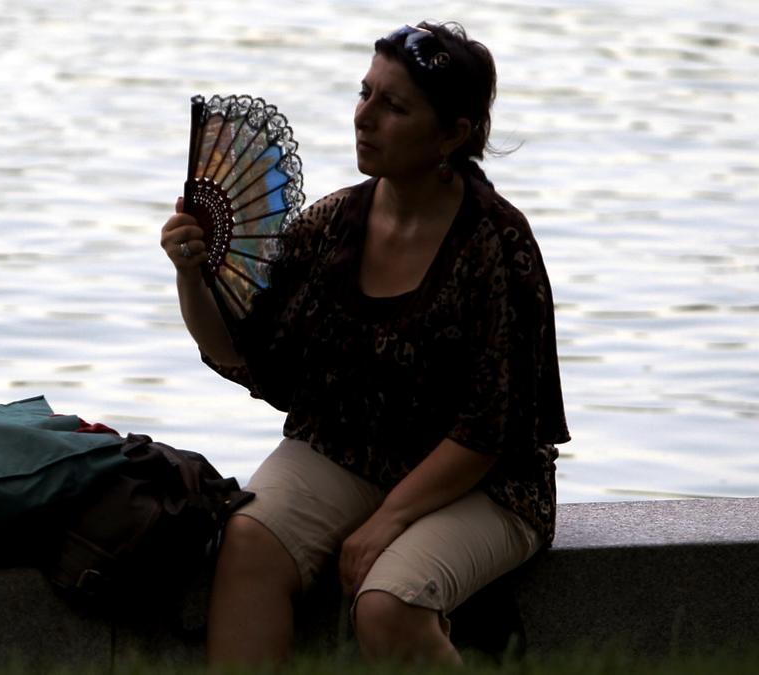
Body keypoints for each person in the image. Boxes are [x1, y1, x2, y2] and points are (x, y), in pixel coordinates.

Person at [160, 21, 570, 666]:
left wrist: (385, 522)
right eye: (364, 93)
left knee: (387, 603)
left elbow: (488, 432)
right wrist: (192, 274)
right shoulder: (330, 225)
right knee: (246, 541)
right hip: (348, 449)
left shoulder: (496, 244)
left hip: (484, 482)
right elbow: (240, 348)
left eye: (394, 105)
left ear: (454, 136)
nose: (364, 116)